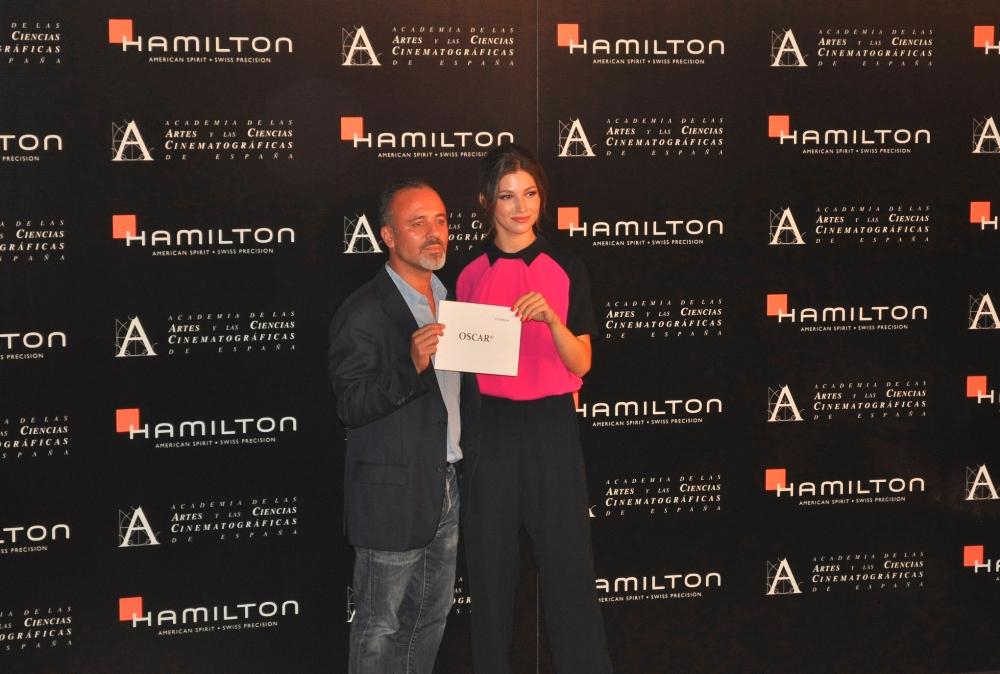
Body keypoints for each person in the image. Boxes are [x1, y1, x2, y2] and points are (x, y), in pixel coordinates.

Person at [457, 144, 612, 673]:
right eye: (506, 196)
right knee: (489, 576)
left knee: (570, 571)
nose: (520, 206)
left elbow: (583, 362)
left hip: (551, 428)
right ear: (486, 202)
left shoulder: (566, 265)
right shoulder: (466, 271)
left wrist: (552, 321)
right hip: (490, 431)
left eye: (529, 193)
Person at [328, 179, 479, 674]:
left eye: (440, 221)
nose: (434, 233)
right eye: (418, 223)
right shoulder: (363, 310)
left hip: (446, 486)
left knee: (429, 619)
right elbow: (351, 405)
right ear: (388, 236)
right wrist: (409, 367)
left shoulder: (455, 304)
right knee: (379, 627)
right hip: (391, 496)